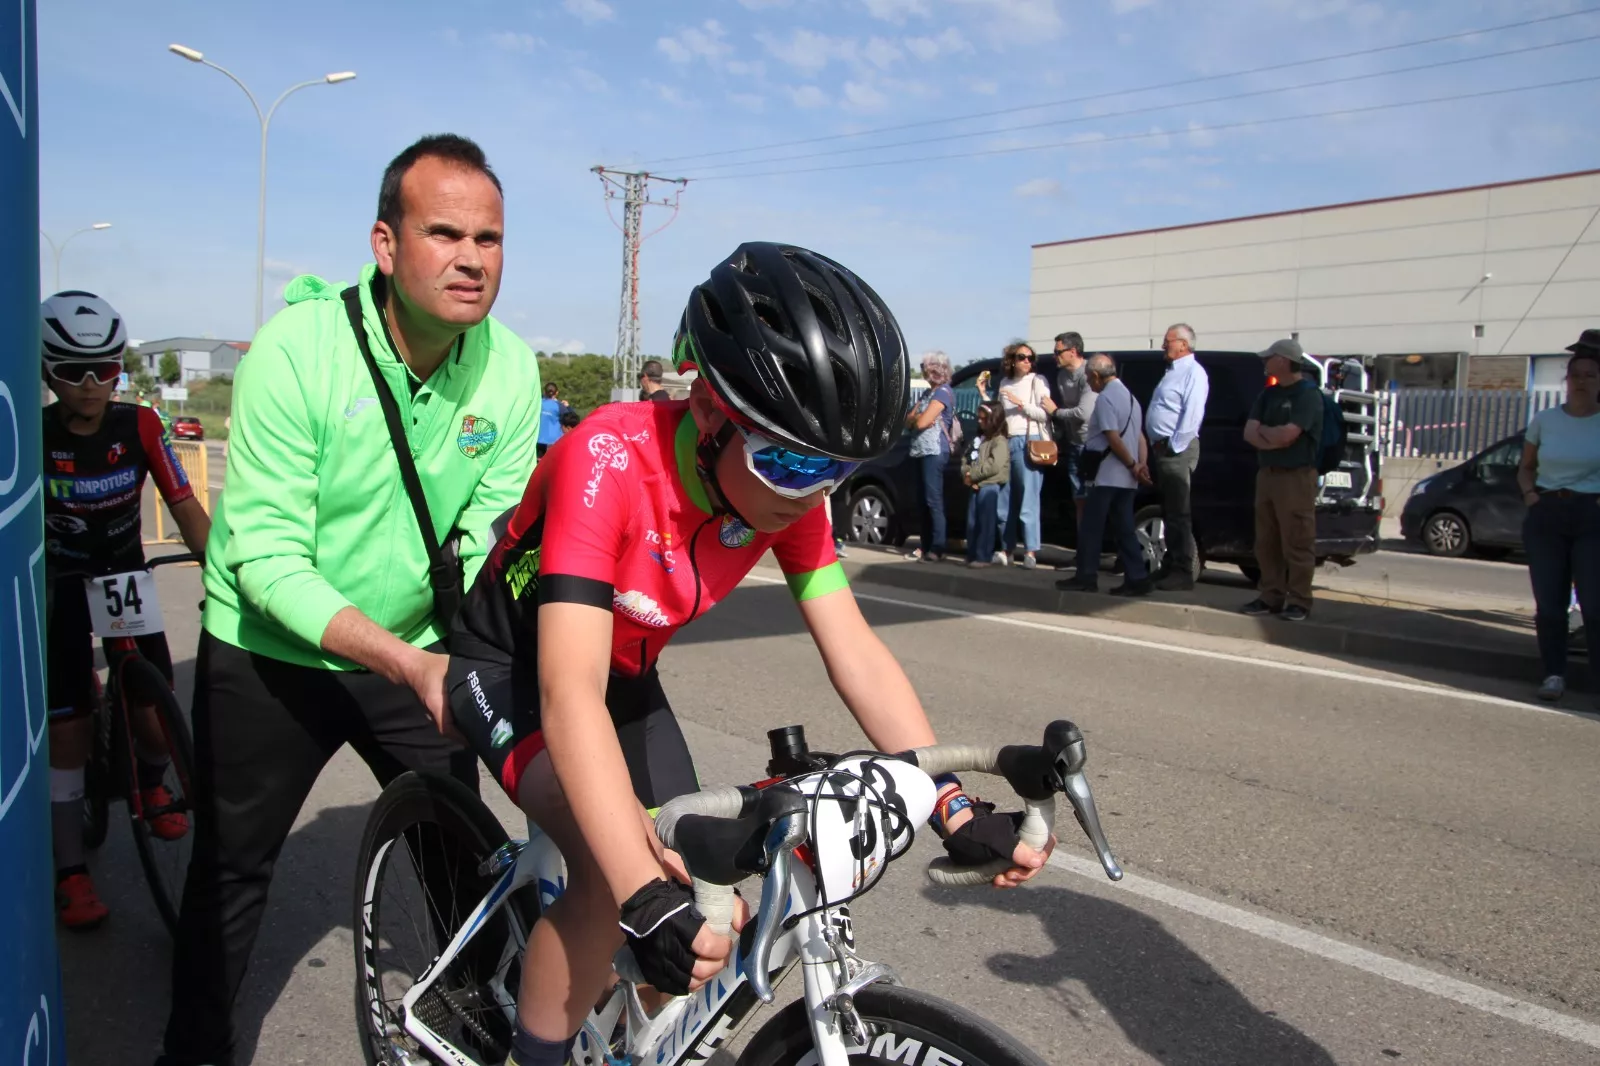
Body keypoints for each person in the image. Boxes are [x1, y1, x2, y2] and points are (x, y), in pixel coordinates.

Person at [443, 242, 1054, 1066]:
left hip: (624, 676)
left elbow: (854, 650)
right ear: (707, 408)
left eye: (839, 470)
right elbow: (568, 694)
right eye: (793, 462)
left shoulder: (788, 493)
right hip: (514, 670)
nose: (812, 492)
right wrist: (638, 892)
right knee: (608, 882)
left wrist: (948, 802)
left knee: (701, 908)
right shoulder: (609, 459)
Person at [156, 134, 544, 1066]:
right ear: (385, 243)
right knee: (231, 874)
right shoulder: (297, 351)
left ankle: (475, 1035)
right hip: (269, 651)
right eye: (443, 233)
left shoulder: (511, 368)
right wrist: (408, 662)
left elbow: (485, 545)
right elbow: (266, 562)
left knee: (465, 864)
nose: (470, 258)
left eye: (488, 238)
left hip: (414, 646)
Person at [40, 291, 213, 929]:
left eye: (105, 370)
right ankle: (70, 870)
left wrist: (222, 568)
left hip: (121, 577)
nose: (90, 385)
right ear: (47, 370)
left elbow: (184, 505)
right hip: (59, 582)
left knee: (152, 713)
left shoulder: (139, 426)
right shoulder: (33, 434)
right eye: (72, 371)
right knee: (69, 732)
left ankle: (151, 779)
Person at [1515, 331, 1600, 703]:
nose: (1581, 382)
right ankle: (1553, 674)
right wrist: (1531, 496)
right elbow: (1526, 467)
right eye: (1575, 375)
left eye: (1590, 375)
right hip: (1547, 514)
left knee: (1594, 605)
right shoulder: (1545, 420)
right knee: (1550, 605)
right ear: (1566, 380)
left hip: (1592, 517)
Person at [1241, 339, 1324, 622]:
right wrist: (1272, 437)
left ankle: (1299, 600)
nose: (1265, 362)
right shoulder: (1268, 394)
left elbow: (1289, 435)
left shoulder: (1308, 395)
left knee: (1297, 540)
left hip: (1296, 476)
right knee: (1266, 541)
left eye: (1270, 357)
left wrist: (1267, 434)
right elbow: (1249, 433)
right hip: (1268, 474)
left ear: (1284, 360)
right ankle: (1270, 595)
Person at [1057, 355, 1151, 595]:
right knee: (1125, 528)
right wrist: (1141, 465)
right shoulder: (1131, 398)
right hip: (1126, 480)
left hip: (1106, 474)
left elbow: (1112, 437)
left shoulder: (1106, 399)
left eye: (1089, 378)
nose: (1089, 383)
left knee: (1091, 527)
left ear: (1096, 376)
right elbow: (1139, 436)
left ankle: (1086, 576)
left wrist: (1132, 465)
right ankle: (1138, 577)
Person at [977, 341, 1056, 569]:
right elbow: (998, 416)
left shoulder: (1037, 381)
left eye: (1030, 358)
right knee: (1005, 498)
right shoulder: (1004, 383)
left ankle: (1030, 551)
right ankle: (1006, 549)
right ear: (1011, 360)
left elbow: (1045, 414)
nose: (1027, 361)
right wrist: (983, 394)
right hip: (1007, 441)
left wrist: (1021, 404)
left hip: (1028, 440)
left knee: (1028, 499)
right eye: (1022, 357)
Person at [1144, 323, 1209, 591]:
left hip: (1176, 450)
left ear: (1183, 344)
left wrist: (1175, 446)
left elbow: (1192, 414)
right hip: (1162, 448)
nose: (1163, 345)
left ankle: (1182, 570)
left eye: (1168, 340)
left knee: (1179, 512)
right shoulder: (1172, 371)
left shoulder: (1194, 372)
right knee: (1169, 510)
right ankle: (1170, 564)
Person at [905, 350, 957, 562]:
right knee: (922, 501)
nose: (923, 370)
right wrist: (917, 418)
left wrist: (917, 419)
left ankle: (937, 546)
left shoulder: (943, 393)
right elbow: (909, 419)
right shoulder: (928, 393)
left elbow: (920, 423)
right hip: (920, 450)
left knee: (932, 499)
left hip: (934, 450)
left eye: (924, 366)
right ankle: (926, 545)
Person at [1050, 331, 1096, 569]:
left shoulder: (1088, 374)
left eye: (1058, 351)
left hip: (1093, 445)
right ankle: (1083, 553)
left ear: (1073, 351)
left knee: (1096, 501)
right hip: (1073, 443)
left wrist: (1055, 412)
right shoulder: (1061, 376)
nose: (1055, 356)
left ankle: (1103, 553)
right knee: (1079, 501)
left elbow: (1083, 413)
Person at [961, 400, 1010, 568]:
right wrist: (966, 473)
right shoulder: (978, 439)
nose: (979, 421)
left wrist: (974, 475)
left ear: (993, 420)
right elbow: (966, 457)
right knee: (972, 522)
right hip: (975, 485)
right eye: (979, 418)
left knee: (986, 523)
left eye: (983, 419)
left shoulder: (999, 441)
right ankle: (972, 554)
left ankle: (983, 556)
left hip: (989, 485)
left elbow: (994, 465)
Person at [538, 381, 570, 458]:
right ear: (556, 393)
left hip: (538, 438)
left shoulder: (538, 403)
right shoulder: (560, 406)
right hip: (554, 441)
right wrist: (568, 407)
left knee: (538, 462)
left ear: (545, 392)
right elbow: (571, 419)